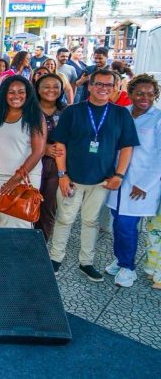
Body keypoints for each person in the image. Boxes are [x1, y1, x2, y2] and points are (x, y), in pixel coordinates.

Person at [49, 69, 140, 281]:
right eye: (99, 84)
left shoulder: (120, 114)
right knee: (64, 219)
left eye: (109, 85)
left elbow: (127, 146)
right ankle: (55, 258)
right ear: (89, 86)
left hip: (102, 180)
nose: (103, 88)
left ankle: (86, 262)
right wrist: (62, 174)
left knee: (91, 222)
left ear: (115, 88)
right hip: (72, 177)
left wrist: (119, 174)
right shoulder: (73, 112)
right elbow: (60, 143)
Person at [103, 74, 161, 287]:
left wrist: (145, 184)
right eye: (139, 93)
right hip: (117, 180)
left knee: (127, 226)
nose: (144, 97)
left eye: (150, 94)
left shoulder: (158, 118)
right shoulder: (122, 113)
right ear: (131, 94)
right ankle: (120, 260)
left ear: (155, 95)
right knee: (117, 223)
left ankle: (129, 268)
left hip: (140, 184)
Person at [0, 76, 46, 228]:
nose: (16, 96)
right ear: (4, 94)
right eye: (11, 92)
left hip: (24, 179)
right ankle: (2, 253)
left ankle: (20, 253)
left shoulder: (34, 117)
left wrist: (16, 178)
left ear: (28, 94)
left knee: (21, 223)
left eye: (21, 92)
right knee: (0, 222)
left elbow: (39, 151)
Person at [34, 74, 67, 241]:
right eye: (46, 86)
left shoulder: (66, 111)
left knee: (49, 205)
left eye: (56, 87)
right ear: (38, 89)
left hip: (57, 165)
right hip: (33, 163)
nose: (51, 90)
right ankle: (27, 239)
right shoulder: (29, 110)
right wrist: (43, 148)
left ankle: (42, 241)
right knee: (30, 202)